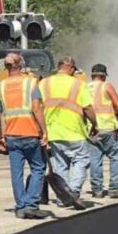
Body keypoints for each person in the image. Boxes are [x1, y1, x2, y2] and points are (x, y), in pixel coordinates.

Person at [0, 53, 54, 220]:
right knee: (38, 168)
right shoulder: (31, 82)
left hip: (11, 135)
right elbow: (36, 108)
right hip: (31, 133)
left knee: (16, 173)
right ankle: (32, 205)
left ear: (6, 67)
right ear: (21, 65)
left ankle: (21, 207)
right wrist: (44, 131)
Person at [41, 57, 99, 210]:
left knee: (60, 165)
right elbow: (87, 108)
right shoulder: (78, 84)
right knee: (81, 161)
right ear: (71, 68)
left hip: (53, 132)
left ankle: (62, 198)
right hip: (75, 131)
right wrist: (95, 124)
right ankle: (72, 193)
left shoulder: (44, 83)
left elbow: (36, 107)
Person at [83, 64, 118, 199]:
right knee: (116, 157)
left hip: (92, 130)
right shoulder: (107, 86)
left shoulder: (85, 88)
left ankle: (97, 190)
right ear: (104, 75)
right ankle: (115, 188)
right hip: (109, 129)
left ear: (92, 75)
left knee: (95, 160)